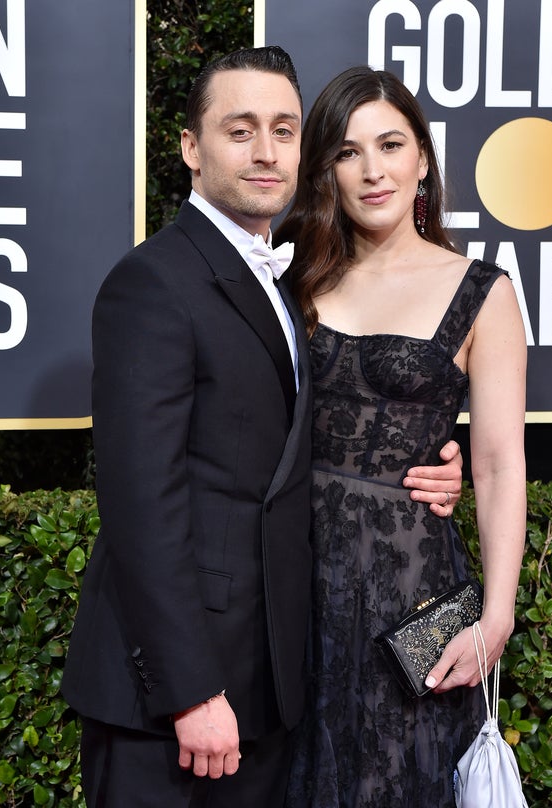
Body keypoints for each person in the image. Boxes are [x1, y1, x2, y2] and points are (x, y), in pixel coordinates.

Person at [61, 47, 465, 807]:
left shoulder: (288, 281)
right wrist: (190, 693)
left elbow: (314, 436)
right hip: (179, 706)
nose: (266, 150)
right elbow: (140, 501)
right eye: (239, 130)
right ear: (190, 147)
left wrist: (439, 458)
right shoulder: (152, 282)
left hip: (271, 691)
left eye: (284, 129)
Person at [277, 65, 527, 807]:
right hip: (294, 580)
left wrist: (498, 614)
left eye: (390, 144)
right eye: (348, 152)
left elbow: (499, 462)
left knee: (401, 779)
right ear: (327, 170)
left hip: (411, 594)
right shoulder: (295, 274)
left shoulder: (482, 291)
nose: (372, 169)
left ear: (422, 157)